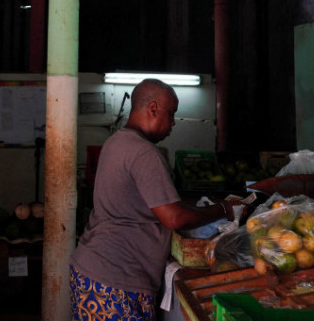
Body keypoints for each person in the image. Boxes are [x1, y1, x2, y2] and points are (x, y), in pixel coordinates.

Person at [70, 79, 237, 321]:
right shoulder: (145, 153)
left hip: (90, 271)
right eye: (171, 114)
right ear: (153, 109)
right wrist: (223, 209)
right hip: (118, 280)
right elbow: (174, 217)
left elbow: (151, 204)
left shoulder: (115, 142)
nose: (172, 124)